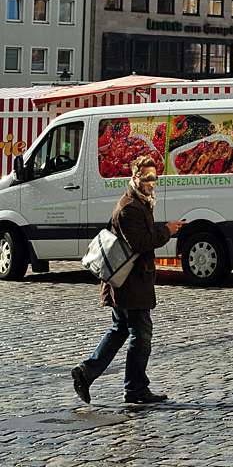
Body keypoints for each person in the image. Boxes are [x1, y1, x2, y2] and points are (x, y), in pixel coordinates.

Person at [71, 154, 183, 405]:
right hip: (129, 284)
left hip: (130, 282)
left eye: (154, 177)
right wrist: (168, 230)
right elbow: (141, 243)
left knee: (121, 329)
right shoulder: (130, 207)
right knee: (140, 334)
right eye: (146, 177)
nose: (151, 182)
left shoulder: (141, 202)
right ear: (134, 178)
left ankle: (87, 373)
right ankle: (135, 389)